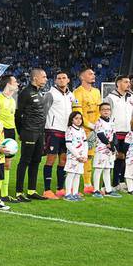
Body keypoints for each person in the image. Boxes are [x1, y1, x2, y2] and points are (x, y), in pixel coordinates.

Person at [15, 69, 49, 200]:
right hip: (29, 132)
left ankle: (31, 190)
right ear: (35, 78)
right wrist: (21, 132)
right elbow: (18, 115)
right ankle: (19, 192)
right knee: (25, 161)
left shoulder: (39, 92)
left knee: (36, 160)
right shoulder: (26, 92)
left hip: (40, 133)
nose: (46, 79)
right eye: (44, 77)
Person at [42, 70, 75, 198]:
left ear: (68, 80)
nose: (61, 80)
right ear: (55, 81)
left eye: (64, 78)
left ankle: (60, 188)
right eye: (59, 78)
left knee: (64, 160)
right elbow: (44, 112)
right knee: (51, 159)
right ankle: (47, 190)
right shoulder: (50, 94)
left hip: (66, 132)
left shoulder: (71, 96)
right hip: (53, 130)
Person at [72, 67, 101, 193]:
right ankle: (81, 183)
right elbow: (77, 113)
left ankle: (87, 183)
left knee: (90, 157)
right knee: (81, 157)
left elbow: (99, 110)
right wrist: (90, 125)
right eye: (90, 74)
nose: (93, 75)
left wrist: (98, 125)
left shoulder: (97, 91)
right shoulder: (77, 92)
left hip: (94, 130)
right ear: (82, 77)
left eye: (94, 73)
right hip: (82, 130)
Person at [107, 75, 133, 191]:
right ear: (118, 83)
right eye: (126, 82)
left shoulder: (131, 98)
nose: (129, 84)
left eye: (129, 82)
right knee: (114, 158)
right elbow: (106, 115)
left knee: (124, 158)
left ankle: (121, 182)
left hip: (127, 133)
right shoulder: (110, 98)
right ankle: (111, 183)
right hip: (115, 132)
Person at [0, 74, 19, 202]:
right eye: (15, 82)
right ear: (8, 84)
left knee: (8, 164)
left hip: (11, 132)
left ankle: (4, 194)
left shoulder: (12, 100)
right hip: (2, 132)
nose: (17, 84)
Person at [91, 102, 118, 197]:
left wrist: (114, 145)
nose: (106, 111)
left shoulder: (112, 122)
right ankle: (96, 190)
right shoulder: (98, 122)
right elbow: (100, 134)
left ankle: (108, 190)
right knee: (99, 169)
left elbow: (114, 134)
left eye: (108, 109)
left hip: (110, 151)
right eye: (104, 109)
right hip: (101, 149)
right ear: (100, 111)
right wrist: (108, 143)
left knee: (107, 169)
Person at [63, 111, 88, 202]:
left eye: (80, 118)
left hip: (81, 157)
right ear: (71, 119)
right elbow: (68, 145)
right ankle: (68, 194)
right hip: (73, 157)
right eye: (76, 118)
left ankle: (75, 193)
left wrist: (84, 155)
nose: (78, 120)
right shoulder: (69, 130)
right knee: (71, 174)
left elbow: (85, 143)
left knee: (77, 175)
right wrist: (77, 155)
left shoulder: (81, 130)